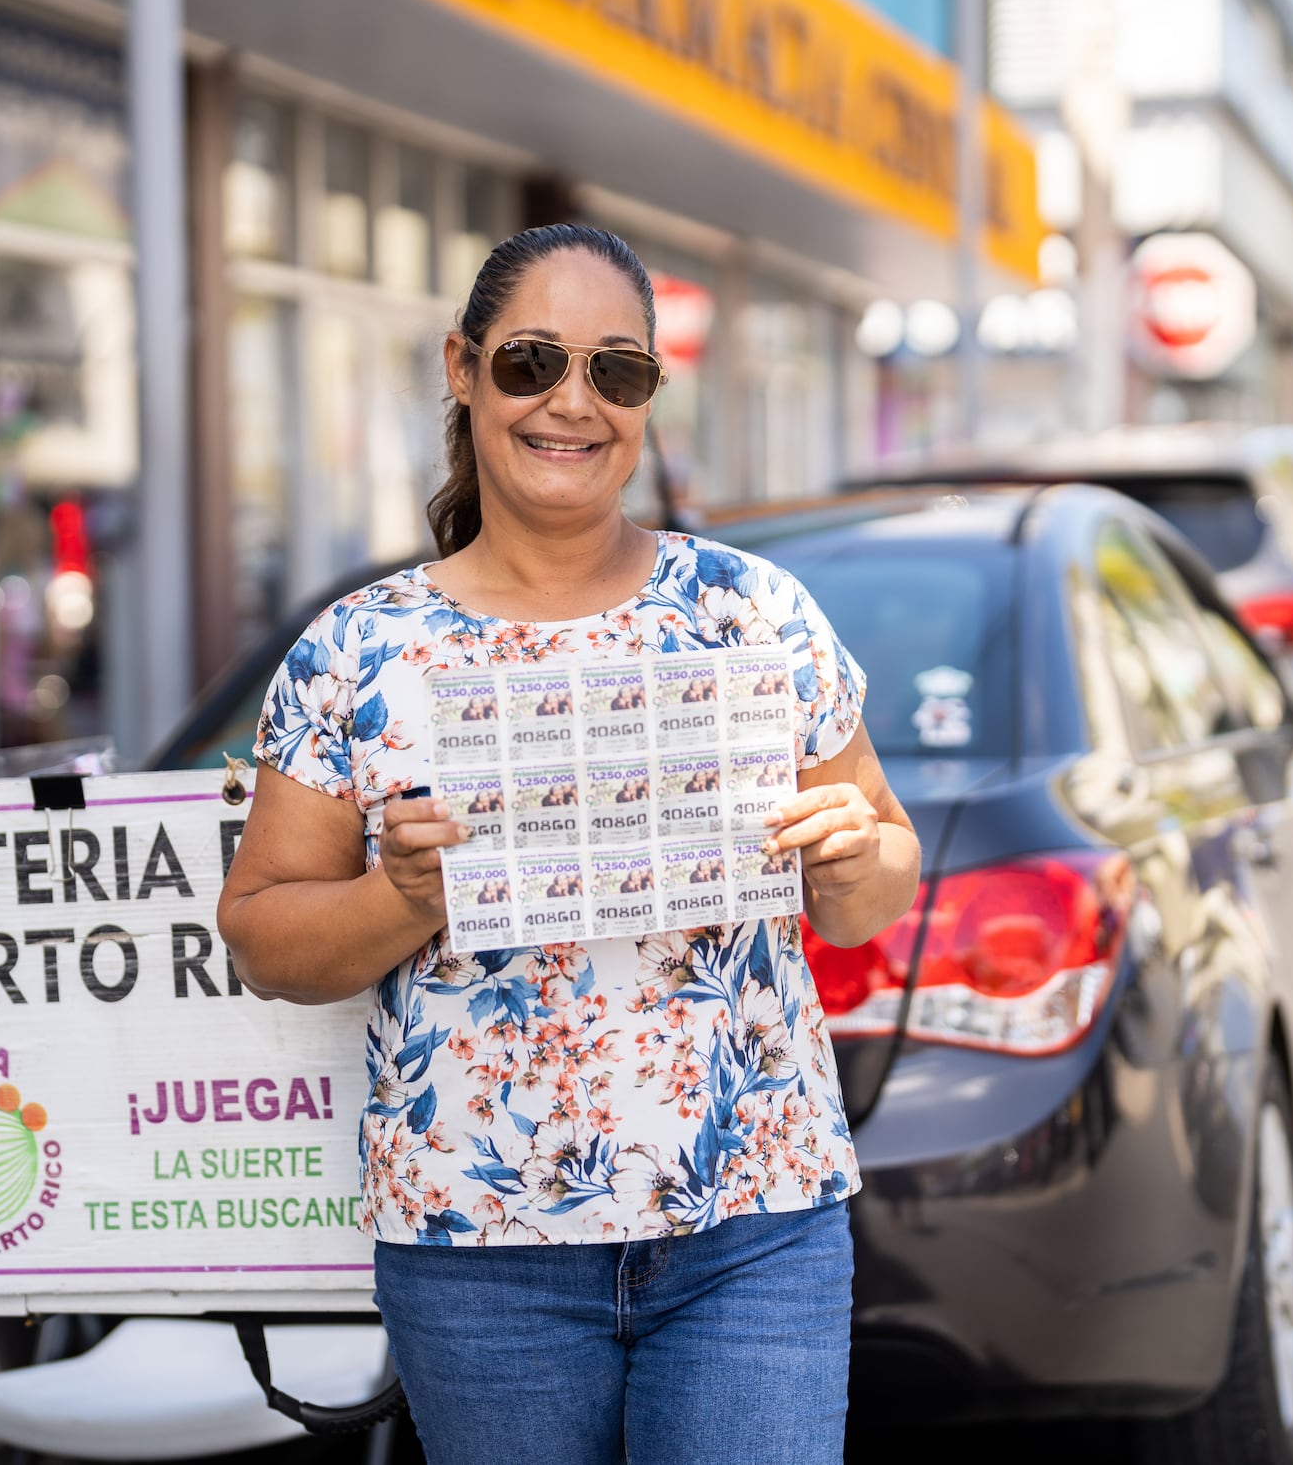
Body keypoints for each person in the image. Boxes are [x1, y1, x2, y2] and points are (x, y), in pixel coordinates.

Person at [218, 224, 922, 1465]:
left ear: (651, 394)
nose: (571, 402)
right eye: (532, 361)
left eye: (618, 372)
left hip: (750, 1224)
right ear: (462, 367)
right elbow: (266, 937)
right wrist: (401, 896)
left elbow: (874, 892)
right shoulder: (357, 653)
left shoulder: (750, 613)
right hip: (479, 1254)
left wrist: (858, 856)